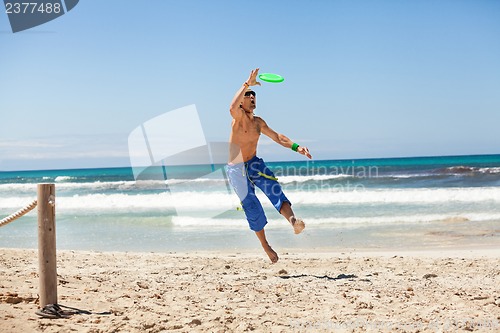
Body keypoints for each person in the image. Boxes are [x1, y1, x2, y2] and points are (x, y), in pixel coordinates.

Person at [226, 68, 312, 263]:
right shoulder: (237, 119)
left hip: (254, 164)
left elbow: (278, 137)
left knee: (274, 190)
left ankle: (294, 222)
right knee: (252, 207)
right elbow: (231, 107)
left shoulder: (258, 122)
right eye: (248, 97)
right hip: (237, 169)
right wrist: (246, 83)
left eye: (254, 97)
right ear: (242, 101)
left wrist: (297, 147)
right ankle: (266, 246)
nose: (252, 99)